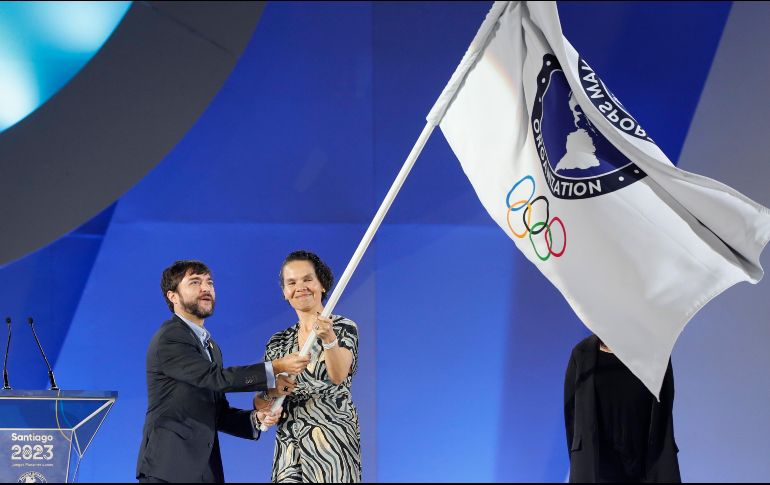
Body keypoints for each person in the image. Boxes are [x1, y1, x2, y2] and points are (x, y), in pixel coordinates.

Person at [136, 260, 311, 483]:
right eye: (195, 282)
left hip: (206, 471)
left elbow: (217, 412)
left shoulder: (211, 347)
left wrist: (255, 419)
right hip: (168, 470)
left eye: (209, 282)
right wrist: (275, 368)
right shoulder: (170, 338)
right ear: (173, 296)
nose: (206, 288)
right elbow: (215, 378)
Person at [254, 250, 362, 483]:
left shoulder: (343, 327)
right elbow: (261, 398)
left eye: (307, 279)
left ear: (322, 284)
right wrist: (269, 404)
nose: (300, 287)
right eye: (291, 282)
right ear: (285, 292)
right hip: (290, 445)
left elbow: (338, 375)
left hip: (333, 445)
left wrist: (329, 339)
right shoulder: (277, 342)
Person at [564, 334, 681, 483]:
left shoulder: (656, 351)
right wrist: (579, 460)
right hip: (598, 467)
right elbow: (572, 419)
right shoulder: (581, 353)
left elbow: (665, 405)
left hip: (647, 465)